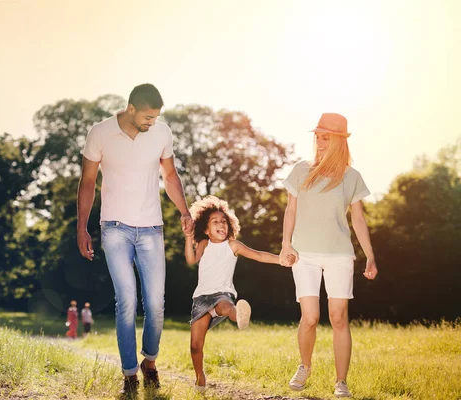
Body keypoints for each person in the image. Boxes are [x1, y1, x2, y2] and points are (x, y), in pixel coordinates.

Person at [77, 83, 193, 394]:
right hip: (114, 228)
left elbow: (170, 176)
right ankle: (129, 372)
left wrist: (184, 211)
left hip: (151, 228)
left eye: (156, 118)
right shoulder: (99, 133)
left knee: (156, 302)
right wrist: (82, 226)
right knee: (126, 299)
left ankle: (150, 362)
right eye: (147, 117)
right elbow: (87, 181)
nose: (151, 122)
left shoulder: (161, 133)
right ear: (131, 108)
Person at [279, 113, 378, 398]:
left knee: (338, 318)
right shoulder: (301, 169)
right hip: (304, 254)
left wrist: (369, 255)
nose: (320, 143)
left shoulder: (351, 177)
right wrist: (286, 244)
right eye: (318, 137)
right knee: (310, 317)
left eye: (326, 138)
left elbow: (358, 220)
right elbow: (291, 210)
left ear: (339, 142)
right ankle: (304, 366)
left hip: (339, 255)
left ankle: (341, 381)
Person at [183, 195, 294, 391]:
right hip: (201, 298)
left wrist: (280, 260)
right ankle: (200, 378)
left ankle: (239, 316)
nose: (221, 224)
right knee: (195, 346)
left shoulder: (232, 245)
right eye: (215, 221)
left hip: (223, 293)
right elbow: (191, 260)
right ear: (206, 229)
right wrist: (188, 237)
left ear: (230, 225)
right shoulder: (204, 244)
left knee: (225, 306)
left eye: (224, 221)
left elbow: (258, 255)